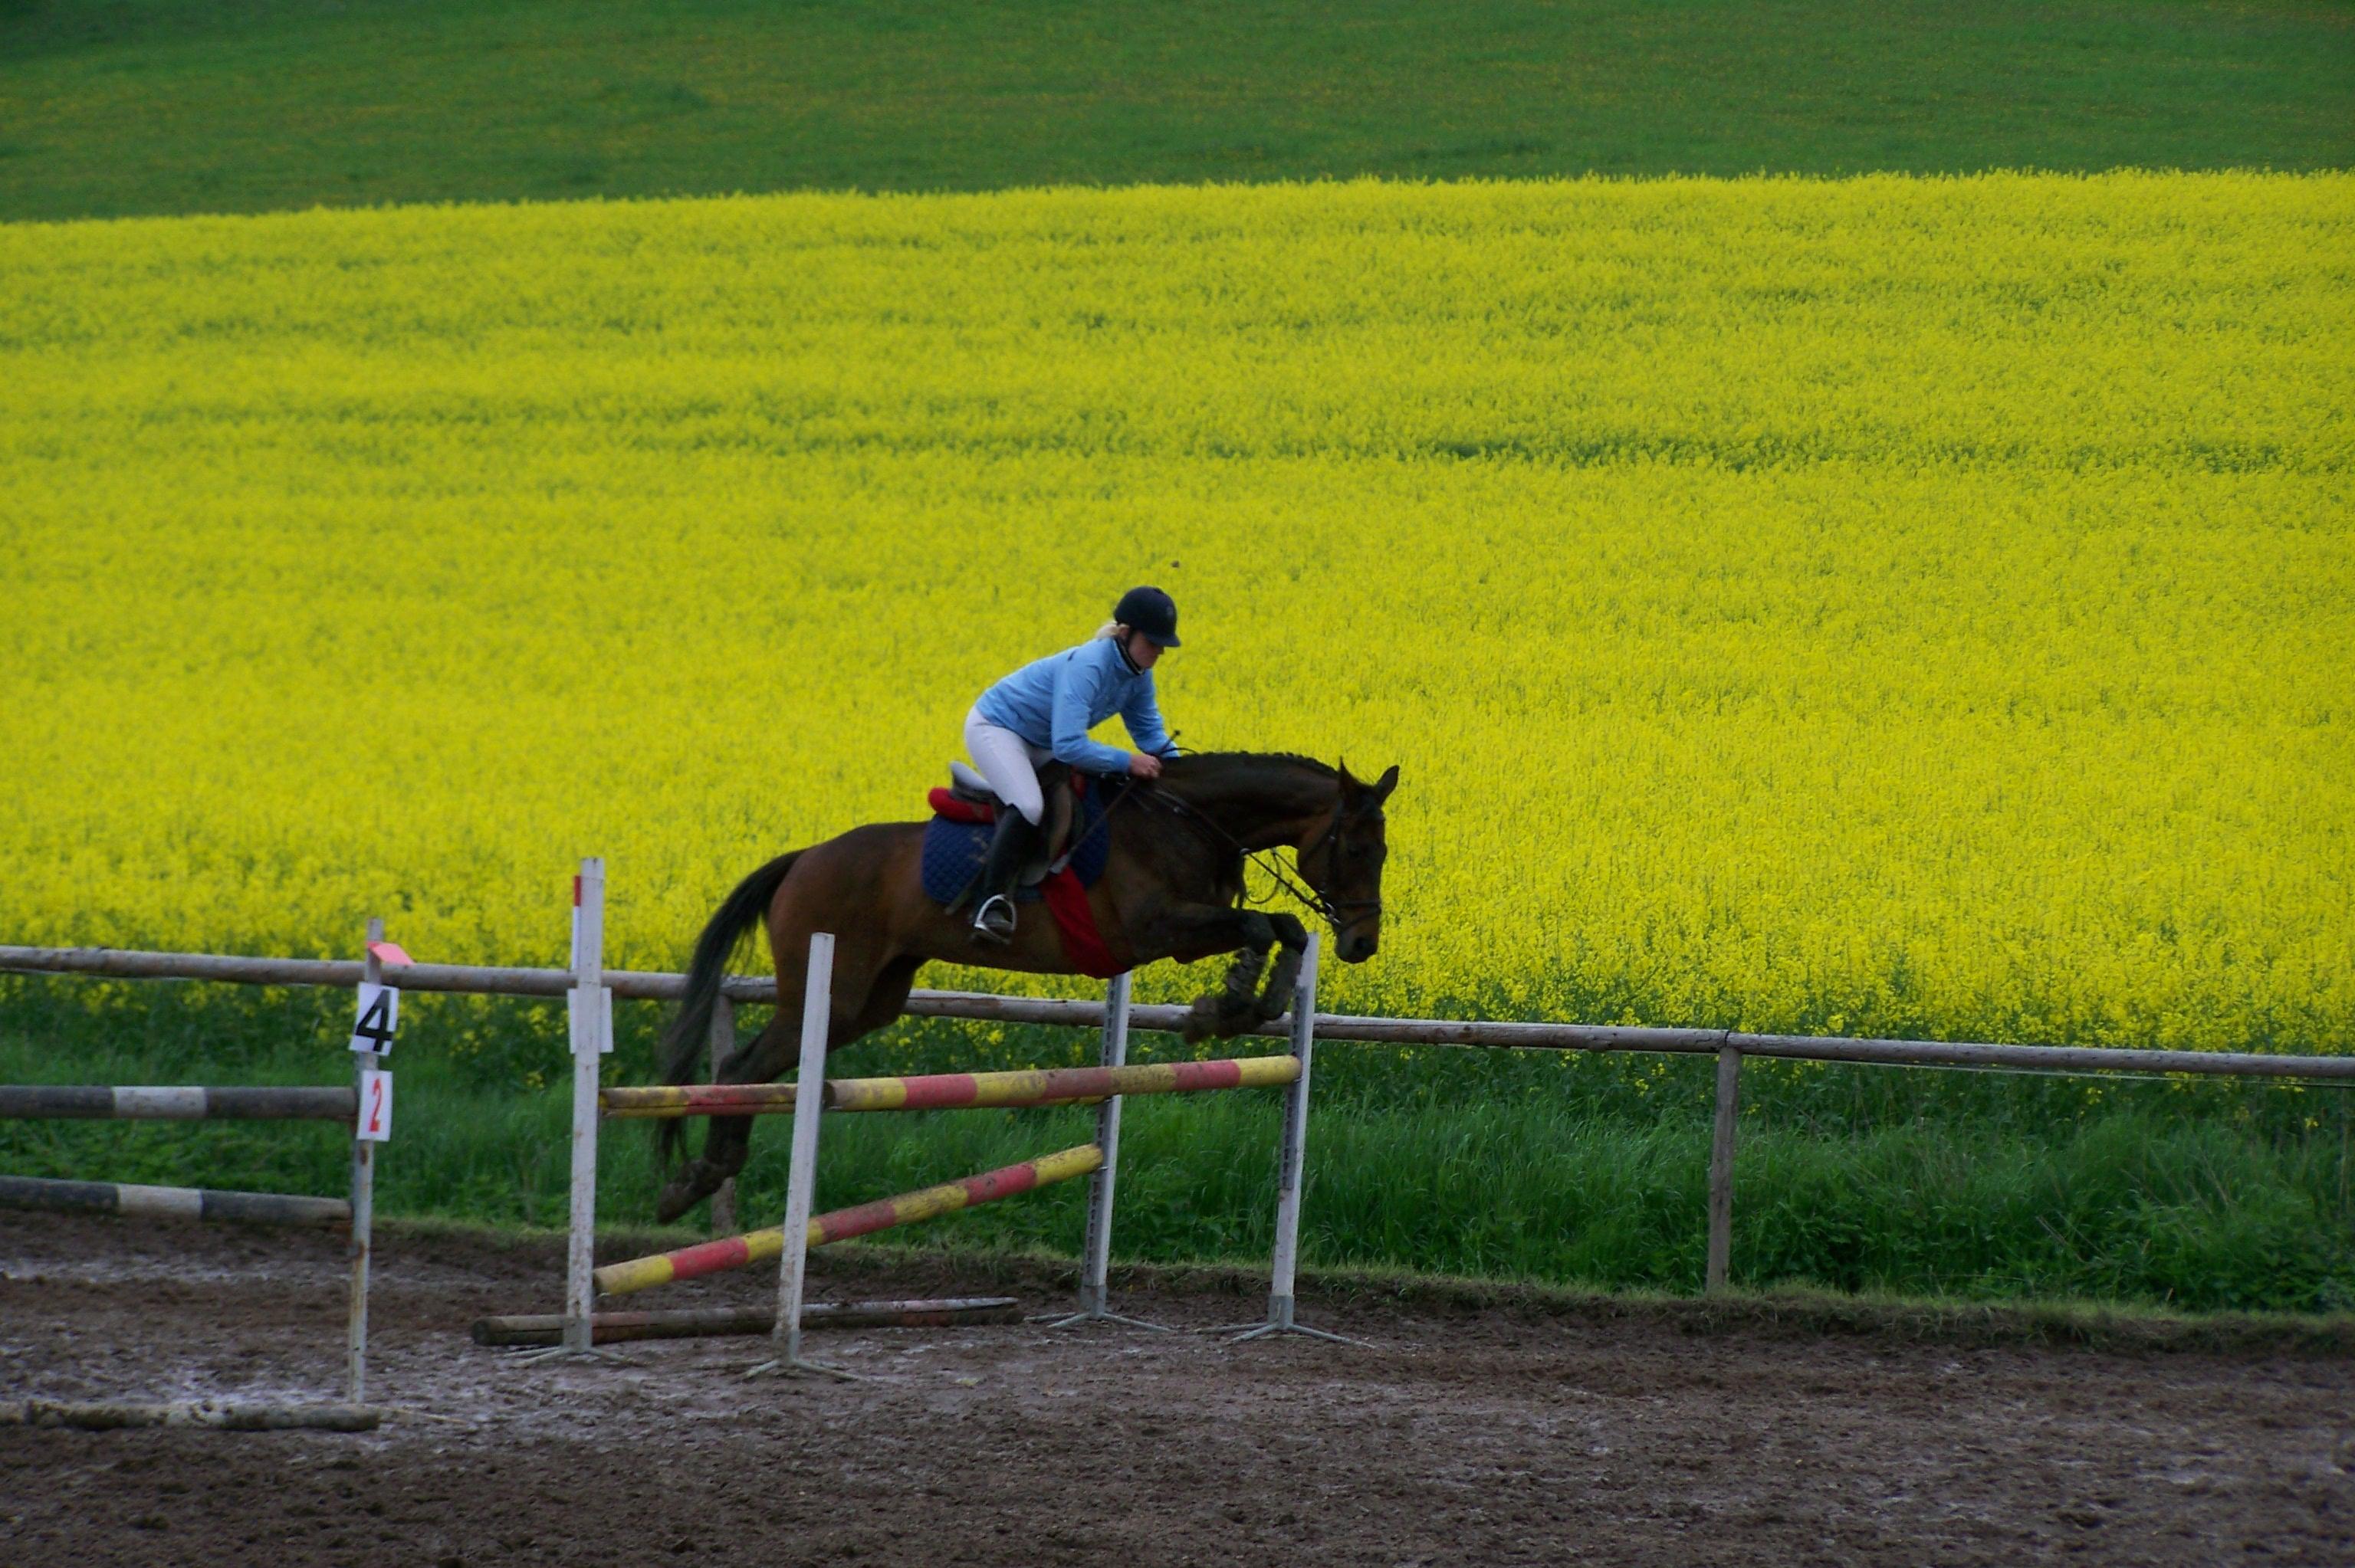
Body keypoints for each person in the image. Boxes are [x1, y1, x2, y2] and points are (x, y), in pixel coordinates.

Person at [961, 586, 1181, 942]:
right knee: (1030, 805)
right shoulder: (1090, 664)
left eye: (1162, 645)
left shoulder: (1139, 676)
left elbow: (1152, 738)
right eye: (1152, 642)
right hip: (997, 728)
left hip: (1040, 742)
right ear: (1126, 634)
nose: (1158, 651)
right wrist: (1127, 762)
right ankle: (989, 905)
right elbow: (1068, 746)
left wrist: (1187, 774)